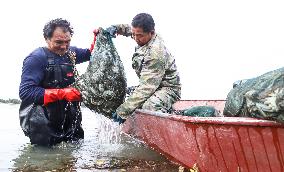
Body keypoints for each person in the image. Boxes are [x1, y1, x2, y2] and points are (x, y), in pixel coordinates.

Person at [19, 18, 95, 146]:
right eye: (59, 42)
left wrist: (98, 37)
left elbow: (91, 54)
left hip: (68, 118)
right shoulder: (36, 58)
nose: (64, 46)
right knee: (45, 162)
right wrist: (63, 93)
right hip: (42, 121)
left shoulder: (71, 53)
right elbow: (26, 92)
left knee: (72, 155)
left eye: (68, 42)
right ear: (46, 39)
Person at [106, 13, 181, 124]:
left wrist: (123, 111)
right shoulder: (141, 35)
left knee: (148, 107)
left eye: (139, 35)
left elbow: (146, 88)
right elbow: (130, 29)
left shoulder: (155, 53)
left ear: (151, 33)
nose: (136, 38)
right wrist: (116, 28)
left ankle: (176, 115)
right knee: (124, 93)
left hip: (168, 89)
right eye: (134, 34)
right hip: (153, 85)